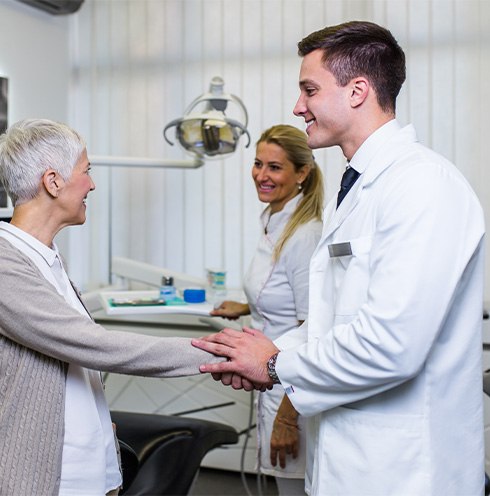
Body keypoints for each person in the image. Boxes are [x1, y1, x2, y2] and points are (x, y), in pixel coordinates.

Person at [192, 20, 486, 496]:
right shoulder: (351, 194)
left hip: (406, 472)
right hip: (346, 461)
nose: (297, 106)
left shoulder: (424, 186)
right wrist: (262, 355)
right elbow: (331, 320)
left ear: (357, 91)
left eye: (309, 89)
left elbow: (392, 344)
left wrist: (274, 366)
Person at [0, 118, 223, 496]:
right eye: (86, 172)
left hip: (91, 468)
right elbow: (92, 345)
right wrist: (216, 353)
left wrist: (97, 421)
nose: (92, 184)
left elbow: (68, 367)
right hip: (45, 478)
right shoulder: (6, 264)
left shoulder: (47, 259)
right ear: (53, 182)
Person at [210, 124, 324, 495]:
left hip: (293, 391)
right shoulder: (273, 221)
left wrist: (288, 417)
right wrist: (246, 305)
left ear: (302, 173)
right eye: (258, 164)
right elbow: (287, 294)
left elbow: (314, 329)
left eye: (275, 167)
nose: (261, 175)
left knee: (293, 487)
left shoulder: (305, 235)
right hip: (272, 377)